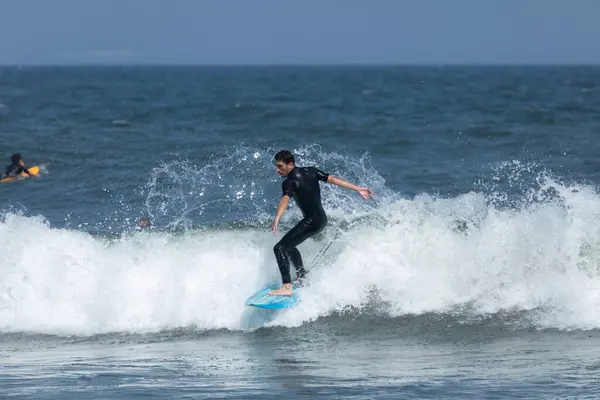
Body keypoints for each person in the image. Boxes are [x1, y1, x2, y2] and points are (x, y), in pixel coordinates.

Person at [269, 150, 374, 296]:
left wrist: (277, 217)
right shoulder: (311, 171)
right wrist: (358, 189)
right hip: (321, 220)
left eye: (280, 167)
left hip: (311, 221)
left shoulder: (289, 182)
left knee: (279, 248)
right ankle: (302, 277)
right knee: (288, 246)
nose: (277, 170)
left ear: (290, 164)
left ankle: (286, 287)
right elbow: (335, 180)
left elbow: (285, 199)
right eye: (276, 166)